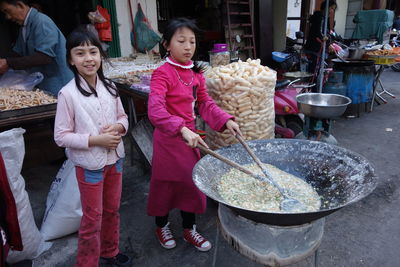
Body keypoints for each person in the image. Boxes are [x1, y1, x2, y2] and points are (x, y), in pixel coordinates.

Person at [147, 17, 241, 252]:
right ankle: (162, 225)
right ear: (167, 45)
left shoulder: (196, 73)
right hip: (169, 139)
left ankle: (190, 229)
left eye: (192, 41)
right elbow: (155, 111)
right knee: (165, 186)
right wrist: (181, 128)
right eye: (181, 41)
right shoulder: (162, 74)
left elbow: (205, 104)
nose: (188, 47)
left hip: (192, 140)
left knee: (190, 184)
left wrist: (225, 119)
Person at [53, 27, 131, 267]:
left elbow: (124, 117)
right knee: (92, 218)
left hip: (115, 161)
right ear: (71, 60)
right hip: (90, 167)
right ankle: (86, 263)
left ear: (100, 55)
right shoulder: (67, 94)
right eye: (80, 53)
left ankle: (110, 251)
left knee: (112, 210)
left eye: (93, 52)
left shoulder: (110, 87)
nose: (88, 58)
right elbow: (61, 136)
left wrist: (118, 128)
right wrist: (96, 140)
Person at [0, 0, 73, 95]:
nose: (8, 17)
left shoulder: (42, 22)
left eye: (7, 11)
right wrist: (4, 61)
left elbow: (44, 57)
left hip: (60, 85)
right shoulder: (24, 28)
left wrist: (8, 63)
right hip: (45, 86)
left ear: (20, 5)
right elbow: (17, 53)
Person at [304, 0, 338, 73]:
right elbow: (319, 33)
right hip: (315, 48)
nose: (332, 11)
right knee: (314, 70)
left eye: (333, 9)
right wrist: (328, 44)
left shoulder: (324, 17)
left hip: (316, 47)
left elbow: (326, 32)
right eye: (331, 8)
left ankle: (314, 82)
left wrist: (329, 41)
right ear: (326, 7)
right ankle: (314, 83)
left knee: (315, 69)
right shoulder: (320, 17)